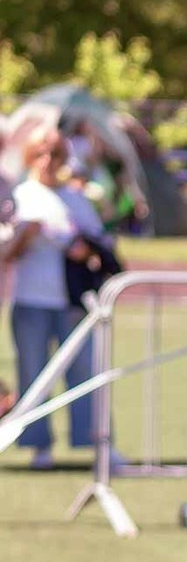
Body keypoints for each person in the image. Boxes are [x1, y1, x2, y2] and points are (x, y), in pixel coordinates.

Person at [0, 127, 108, 469]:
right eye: (41, 154)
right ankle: (38, 445)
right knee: (33, 374)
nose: (48, 162)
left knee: (85, 371)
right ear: (30, 158)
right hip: (31, 297)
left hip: (72, 300)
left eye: (56, 155)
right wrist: (23, 238)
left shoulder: (76, 198)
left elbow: (100, 245)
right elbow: (6, 254)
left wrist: (83, 251)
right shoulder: (20, 195)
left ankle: (97, 443)